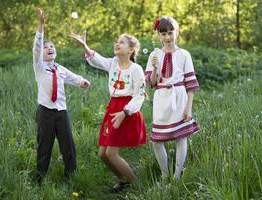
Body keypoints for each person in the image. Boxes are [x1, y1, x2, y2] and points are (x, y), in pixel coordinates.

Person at [70, 31, 146, 192]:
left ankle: (138, 186)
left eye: (122, 42)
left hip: (127, 111)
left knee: (111, 153)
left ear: (131, 50)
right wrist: (85, 46)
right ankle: (122, 178)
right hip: (113, 108)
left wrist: (125, 112)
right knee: (102, 155)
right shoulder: (113, 63)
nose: (117, 44)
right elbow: (97, 60)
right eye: (117, 41)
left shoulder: (136, 69)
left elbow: (140, 95)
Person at [33, 8, 90, 183]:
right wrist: (41, 26)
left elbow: (74, 78)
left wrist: (82, 82)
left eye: (52, 47)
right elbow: (36, 47)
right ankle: (40, 178)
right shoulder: (40, 67)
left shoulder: (60, 69)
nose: (49, 48)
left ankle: (70, 176)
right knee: (45, 146)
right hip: (45, 112)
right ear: (41, 54)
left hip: (61, 112)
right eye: (46, 47)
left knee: (68, 145)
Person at [145, 16, 200, 180]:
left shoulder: (184, 54)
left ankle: (177, 176)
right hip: (161, 98)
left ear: (176, 32)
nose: (168, 37)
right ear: (158, 35)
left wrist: (188, 108)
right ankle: (164, 174)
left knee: (181, 137)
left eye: (170, 32)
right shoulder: (154, 55)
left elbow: (190, 84)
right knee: (157, 141)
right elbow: (152, 83)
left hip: (180, 96)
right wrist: (154, 68)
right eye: (163, 34)